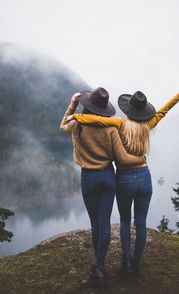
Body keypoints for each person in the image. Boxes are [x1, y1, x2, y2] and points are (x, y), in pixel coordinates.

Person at [67, 80, 179, 278]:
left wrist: (75, 115)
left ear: (128, 109)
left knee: (125, 221)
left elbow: (100, 121)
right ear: (144, 112)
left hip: (123, 178)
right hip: (144, 176)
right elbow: (164, 111)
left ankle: (126, 261)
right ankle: (135, 264)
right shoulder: (148, 125)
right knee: (141, 222)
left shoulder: (120, 123)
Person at [60, 87, 144, 287]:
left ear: (86, 105)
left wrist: (72, 104)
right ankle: (98, 265)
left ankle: (98, 269)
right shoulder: (110, 129)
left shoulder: (77, 123)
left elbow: (62, 125)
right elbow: (121, 158)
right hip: (107, 177)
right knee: (104, 223)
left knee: (95, 223)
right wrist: (140, 158)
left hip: (88, 178)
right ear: (104, 110)